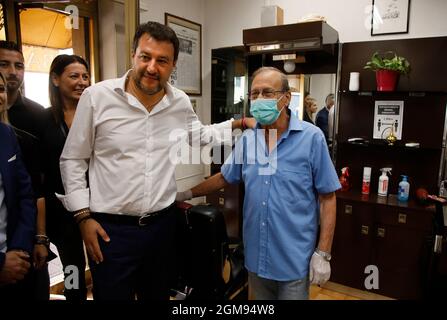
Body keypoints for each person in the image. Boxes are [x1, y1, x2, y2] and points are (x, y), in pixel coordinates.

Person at [56, 21, 254, 300]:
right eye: (145, 57)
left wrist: (240, 122)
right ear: (133, 55)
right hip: (111, 232)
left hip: (162, 228)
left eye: (162, 60)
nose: (152, 67)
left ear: (172, 65)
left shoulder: (179, 102)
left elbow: (199, 136)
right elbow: (73, 159)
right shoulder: (97, 97)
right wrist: (83, 217)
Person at [177, 67, 341, 300]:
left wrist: (323, 253)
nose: (259, 100)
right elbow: (225, 176)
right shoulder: (248, 140)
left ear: (285, 98)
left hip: (293, 259)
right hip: (256, 257)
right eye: (254, 94)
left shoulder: (311, 138)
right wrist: (185, 193)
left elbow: (328, 197)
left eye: (267, 93)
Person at [0, 41, 49, 299]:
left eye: (19, 65)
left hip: (25, 232)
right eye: (4, 64)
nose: (12, 72)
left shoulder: (37, 115)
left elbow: (33, 188)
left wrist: (38, 238)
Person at [40, 55, 90, 300]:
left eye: (85, 76)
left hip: (96, 205)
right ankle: (75, 296)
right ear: (56, 79)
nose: (81, 82)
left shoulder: (95, 117)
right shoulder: (43, 120)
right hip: (60, 211)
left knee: (103, 262)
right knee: (72, 266)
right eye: (74, 76)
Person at [0, 72, 37, 299]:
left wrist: (19, 249)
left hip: (13, 257)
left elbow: (25, 195)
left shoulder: (6, 134)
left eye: (0, 89)